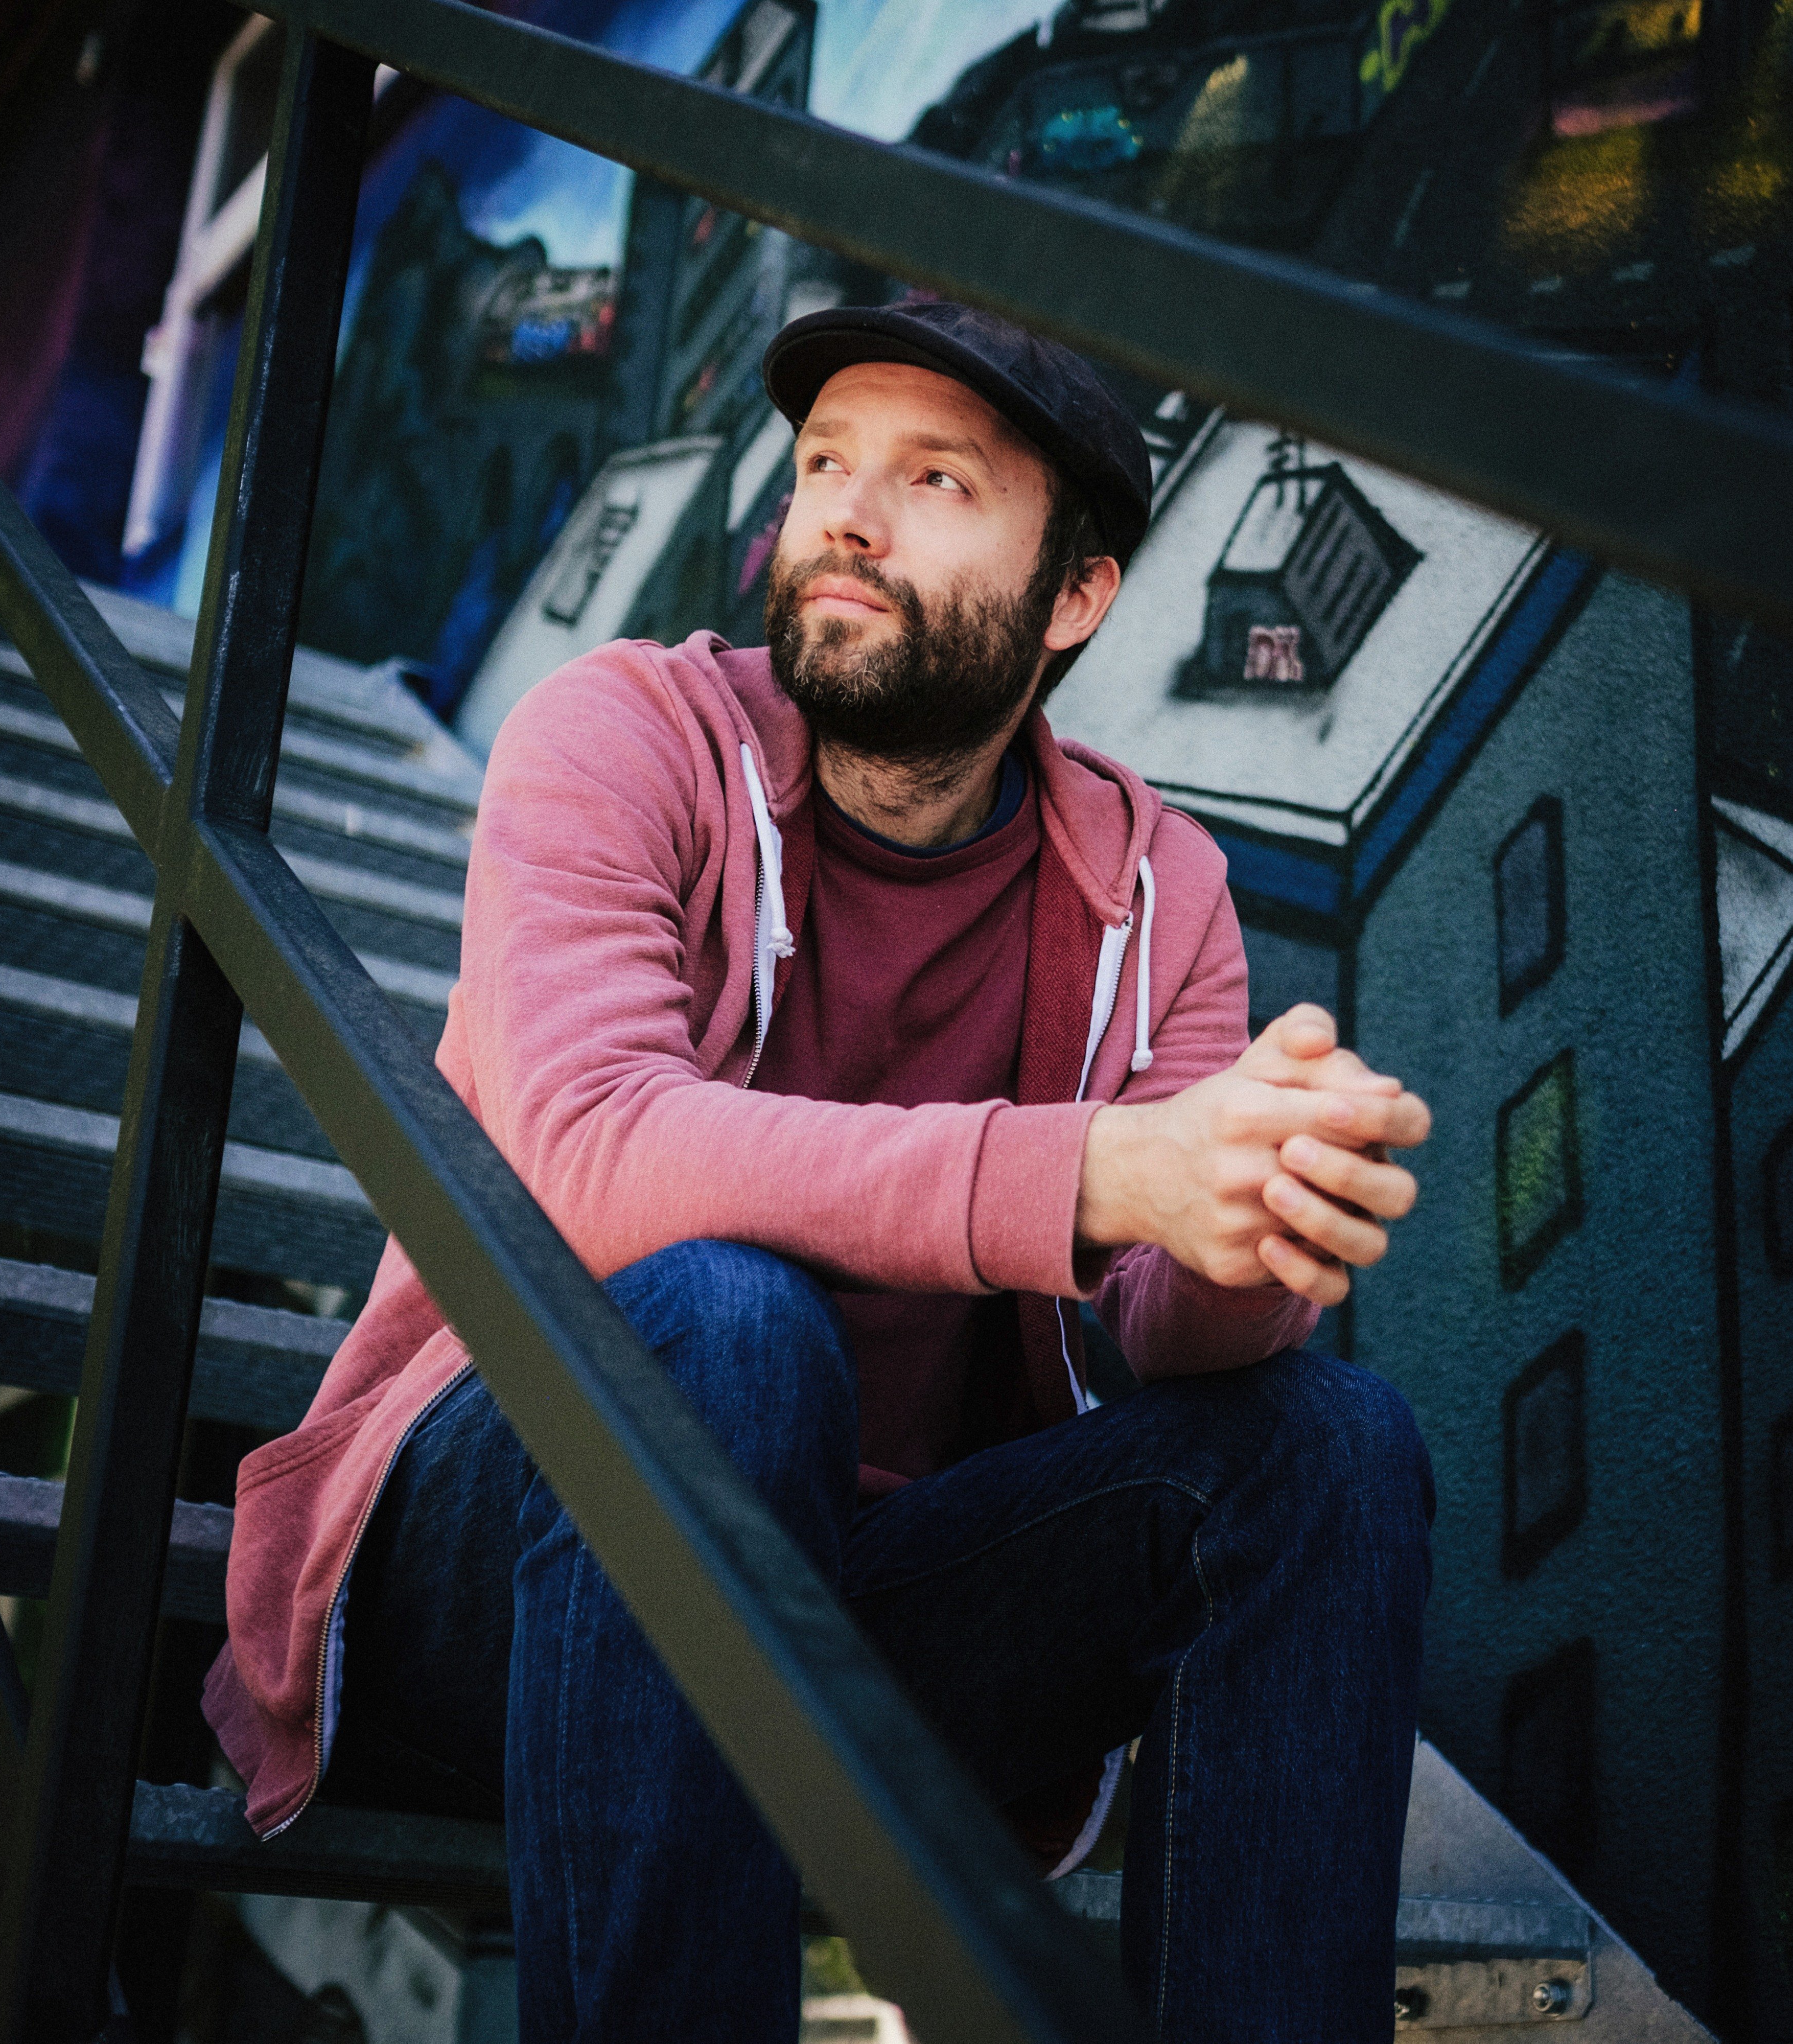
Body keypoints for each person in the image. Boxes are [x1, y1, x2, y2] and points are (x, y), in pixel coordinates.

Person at [205, 301, 1434, 2043]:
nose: (844, 516)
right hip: (493, 1580)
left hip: (865, 1613)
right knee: (722, 1316)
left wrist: (1250, 1218)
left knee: (1332, 1445)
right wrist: (1093, 1171)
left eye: (933, 481)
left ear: (1073, 597)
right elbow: (594, 1152)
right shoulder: (620, 735)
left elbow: (1165, 1337)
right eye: (824, 466)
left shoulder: (1162, 887)